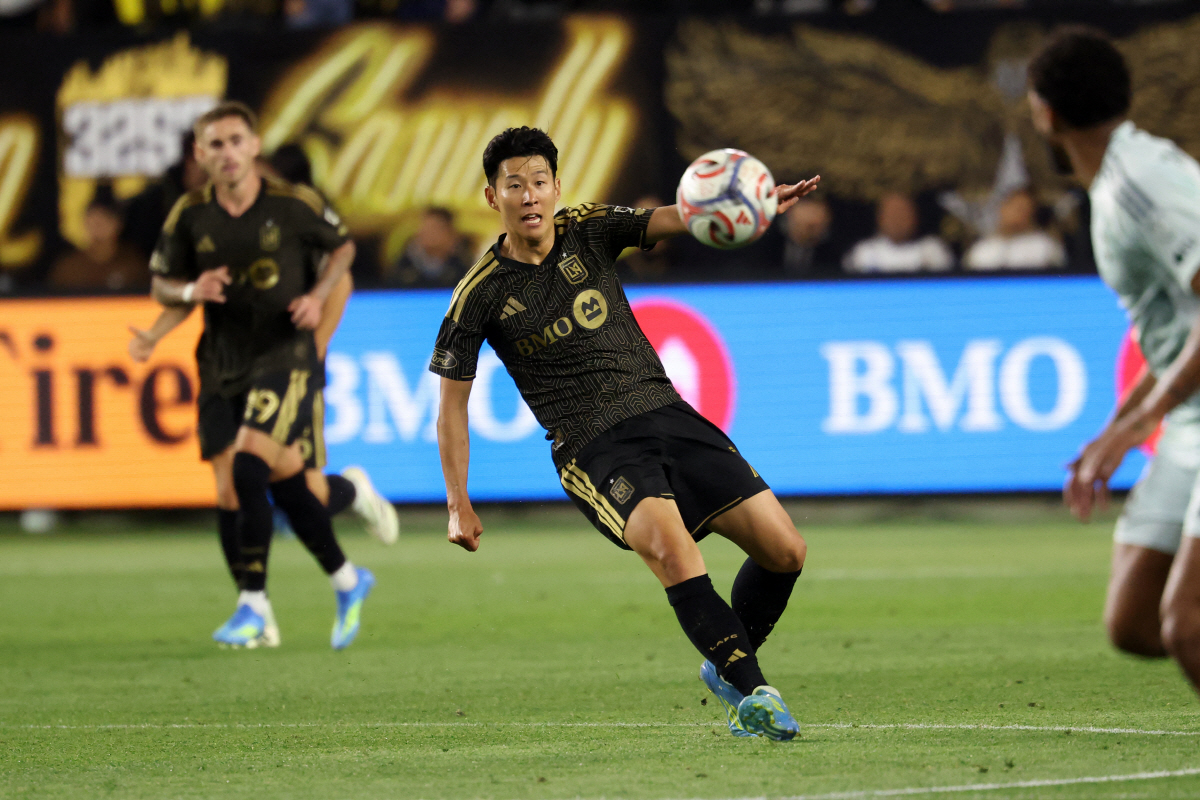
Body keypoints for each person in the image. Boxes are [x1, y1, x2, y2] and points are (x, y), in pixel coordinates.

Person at [431, 126, 818, 740]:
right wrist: (459, 502)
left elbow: (672, 218)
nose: (529, 196)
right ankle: (755, 693)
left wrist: (748, 203)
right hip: (593, 445)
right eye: (514, 185)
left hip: (667, 413)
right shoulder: (477, 293)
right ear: (491, 197)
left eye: (538, 182)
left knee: (786, 551)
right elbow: (452, 406)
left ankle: (724, 665)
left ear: (557, 187)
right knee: (674, 554)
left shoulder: (588, 228)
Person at [146, 101, 378, 650]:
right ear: (199, 155)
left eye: (235, 140)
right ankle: (347, 579)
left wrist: (318, 298)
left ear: (254, 146)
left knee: (250, 469)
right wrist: (186, 293)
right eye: (215, 145)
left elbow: (343, 248)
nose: (226, 153)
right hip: (223, 363)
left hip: (285, 356)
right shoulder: (189, 214)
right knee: (250, 486)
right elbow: (161, 283)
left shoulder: (293, 206)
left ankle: (253, 604)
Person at [1031, 28, 1200, 696]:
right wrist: (1117, 426)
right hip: (1188, 418)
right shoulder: (1117, 181)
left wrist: (1141, 423)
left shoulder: (1140, 183)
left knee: (1188, 626)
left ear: (1046, 113)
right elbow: (1178, 333)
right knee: (1133, 623)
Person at [48, 189, 147, 292]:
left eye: (103, 221)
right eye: (93, 222)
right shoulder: (68, 267)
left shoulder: (133, 265)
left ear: (118, 224)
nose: (97, 228)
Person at [843, 192, 953, 274]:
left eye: (903, 214)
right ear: (880, 219)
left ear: (915, 218)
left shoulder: (932, 250)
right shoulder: (864, 252)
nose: (897, 221)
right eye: (892, 215)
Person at [963, 187, 1066, 271]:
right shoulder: (982, 248)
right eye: (1014, 208)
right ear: (1002, 209)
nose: (1018, 214)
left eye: (1023, 209)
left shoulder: (1045, 247)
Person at [382, 207, 471, 288]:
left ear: (451, 234)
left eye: (435, 229)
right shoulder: (402, 269)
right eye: (425, 228)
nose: (428, 234)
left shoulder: (464, 267)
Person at [780, 196, 839, 278]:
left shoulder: (835, 253)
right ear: (789, 216)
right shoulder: (767, 247)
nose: (811, 220)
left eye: (815, 212)